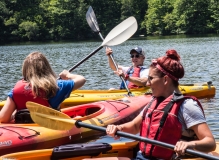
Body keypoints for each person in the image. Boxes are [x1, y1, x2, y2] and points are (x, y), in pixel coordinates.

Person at [105, 49, 216, 159]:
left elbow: (210, 143)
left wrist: (189, 144)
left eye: (151, 79)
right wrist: (117, 128)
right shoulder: (154, 101)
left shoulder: (187, 106)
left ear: (165, 80)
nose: (148, 83)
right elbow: (134, 126)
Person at [0, 51, 86, 123]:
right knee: (78, 117)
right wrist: (68, 75)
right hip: (49, 127)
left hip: (24, 129)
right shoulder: (57, 86)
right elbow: (82, 79)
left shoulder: (15, 90)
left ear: (25, 70)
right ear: (46, 68)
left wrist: (15, 114)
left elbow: (3, 118)